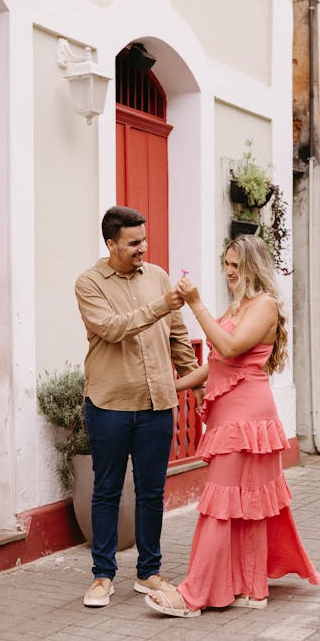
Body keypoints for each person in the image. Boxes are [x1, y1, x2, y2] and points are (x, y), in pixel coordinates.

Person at [144, 234, 320, 617]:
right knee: (244, 504)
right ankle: (251, 588)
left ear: (253, 266)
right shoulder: (239, 306)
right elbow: (217, 365)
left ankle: (193, 596)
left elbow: (228, 347)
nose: (228, 272)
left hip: (247, 420)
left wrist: (195, 304)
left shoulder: (265, 305)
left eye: (235, 266)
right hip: (233, 417)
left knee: (224, 504)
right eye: (226, 264)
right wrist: (172, 385)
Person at [75, 206, 203, 607]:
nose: (142, 248)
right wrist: (163, 305)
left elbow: (177, 335)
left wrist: (196, 382)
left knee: (152, 491)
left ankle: (149, 572)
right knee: (107, 490)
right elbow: (113, 328)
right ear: (111, 243)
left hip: (157, 403)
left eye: (144, 240)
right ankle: (102, 575)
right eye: (133, 243)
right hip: (109, 402)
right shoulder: (89, 283)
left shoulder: (159, 277)